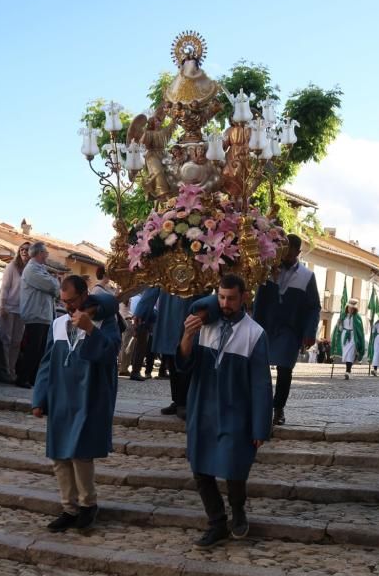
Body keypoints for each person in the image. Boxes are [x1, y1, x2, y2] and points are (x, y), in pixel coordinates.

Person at [177, 274, 273, 549]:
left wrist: (259, 428)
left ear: (243, 297)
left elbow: (261, 385)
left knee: (234, 468)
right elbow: (184, 364)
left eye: (231, 298)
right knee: (200, 468)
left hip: (235, 411)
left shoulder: (254, 334)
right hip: (202, 407)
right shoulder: (204, 325)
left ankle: (238, 511)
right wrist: (187, 334)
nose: (225, 303)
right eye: (221, 297)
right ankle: (216, 521)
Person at [32, 275, 121, 532]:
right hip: (61, 396)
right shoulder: (58, 323)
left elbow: (111, 352)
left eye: (72, 301)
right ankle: (68, 508)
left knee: (80, 452)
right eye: (64, 302)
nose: (68, 306)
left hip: (88, 395)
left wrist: (90, 329)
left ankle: (87, 504)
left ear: (84, 295)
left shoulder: (105, 320)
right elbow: (47, 363)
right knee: (59, 455)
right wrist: (40, 398)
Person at [253, 233, 321, 425]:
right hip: (266, 327)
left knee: (284, 369)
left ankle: (278, 408)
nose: (286, 256)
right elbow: (259, 301)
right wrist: (254, 326)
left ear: (298, 252)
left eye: (290, 253)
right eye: (283, 251)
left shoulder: (307, 276)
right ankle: (261, 405)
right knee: (260, 369)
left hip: (290, 330)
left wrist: (310, 332)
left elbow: (314, 306)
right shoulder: (268, 270)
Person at [134, 288, 200, 418]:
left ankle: (185, 401)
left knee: (187, 354)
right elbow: (154, 282)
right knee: (170, 353)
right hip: (169, 307)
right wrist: (141, 310)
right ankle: (177, 400)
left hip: (193, 303)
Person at [18, 242, 59, 388]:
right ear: (39, 253)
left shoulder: (41, 269)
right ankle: (24, 378)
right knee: (32, 349)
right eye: (45, 252)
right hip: (35, 314)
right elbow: (51, 286)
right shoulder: (31, 269)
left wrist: (55, 283)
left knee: (40, 350)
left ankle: (33, 378)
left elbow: (54, 287)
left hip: (43, 315)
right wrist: (56, 282)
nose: (47, 255)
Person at [0, 242, 30, 382]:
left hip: (21, 310)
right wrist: (2, 305)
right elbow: (4, 287)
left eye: (27, 250)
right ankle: (5, 371)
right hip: (8, 307)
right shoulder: (12, 266)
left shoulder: (31, 269)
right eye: (21, 249)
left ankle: (12, 370)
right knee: (6, 340)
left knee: (17, 342)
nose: (24, 251)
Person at [331, 298, 365, 380]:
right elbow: (339, 329)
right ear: (347, 308)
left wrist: (359, 338)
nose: (350, 309)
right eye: (349, 308)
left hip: (353, 336)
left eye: (352, 308)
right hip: (344, 335)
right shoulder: (343, 316)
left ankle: (348, 371)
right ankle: (349, 371)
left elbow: (359, 329)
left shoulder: (357, 317)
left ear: (355, 309)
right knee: (346, 354)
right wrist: (339, 324)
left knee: (351, 353)